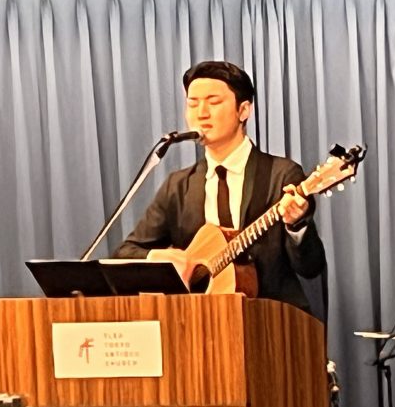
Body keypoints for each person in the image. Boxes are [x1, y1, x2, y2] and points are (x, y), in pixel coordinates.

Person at [113, 60, 325, 313]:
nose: (201, 113)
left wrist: (296, 225)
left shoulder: (281, 174)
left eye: (213, 102)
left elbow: (311, 267)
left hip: (272, 320)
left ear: (243, 110)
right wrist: (159, 257)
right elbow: (125, 253)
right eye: (193, 104)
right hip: (198, 321)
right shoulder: (178, 186)